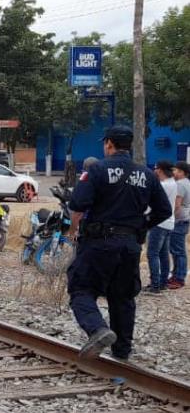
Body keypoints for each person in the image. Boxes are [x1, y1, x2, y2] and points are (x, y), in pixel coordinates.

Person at [66, 125, 171, 360]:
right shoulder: (147, 175)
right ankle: (122, 351)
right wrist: (141, 225)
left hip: (98, 243)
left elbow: (77, 206)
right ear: (130, 145)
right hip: (130, 245)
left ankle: (97, 329)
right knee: (122, 297)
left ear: (109, 144)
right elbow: (164, 210)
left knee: (81, 289)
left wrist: (73, 230)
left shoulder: (96, 170)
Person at [145, 160, 178, 293]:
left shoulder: (163, 185)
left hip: (159, 223)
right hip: (169, 222)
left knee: (152, 254)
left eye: (155, 168)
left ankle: (155, 285)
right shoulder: (173, 183)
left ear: (160, 170)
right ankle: (163, 282)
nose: (154, 170)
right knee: (164, 254)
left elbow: (150, 204)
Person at [168, 161, 190, 289]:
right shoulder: (187, 183)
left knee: (178, 250)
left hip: (179, 221)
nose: (173, 172)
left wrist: (170, 217)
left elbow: (177, 204)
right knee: (178, 250)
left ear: (182, 172)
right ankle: (176, 275)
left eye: (175, 170)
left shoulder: (180, 184)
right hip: (184, 220)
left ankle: (179, 277)